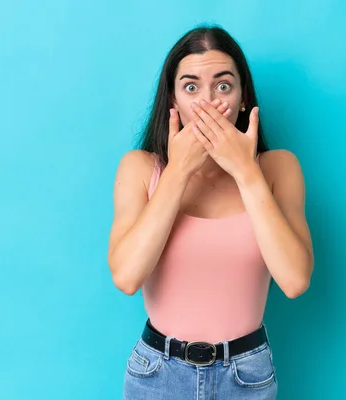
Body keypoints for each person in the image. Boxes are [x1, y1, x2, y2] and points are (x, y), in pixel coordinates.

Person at [108, 24, 314, 399]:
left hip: (246, 377)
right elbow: (126, 277)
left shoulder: (278, 168)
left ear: (242, 96)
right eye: (191, 87)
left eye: (223, 86)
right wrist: (179, 170)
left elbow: (295, 280)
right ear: (172, 101)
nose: (208, 103)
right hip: (157, 375)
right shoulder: (139, 169)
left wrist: (246, 172)